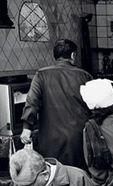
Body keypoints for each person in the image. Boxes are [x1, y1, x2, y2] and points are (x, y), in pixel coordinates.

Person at [20, 39, 93, 170]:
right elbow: (95, 106)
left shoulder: (41, 75)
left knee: (53, 175)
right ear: (73, 55)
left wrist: (27, 127)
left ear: (55, 56)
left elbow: (32, 101)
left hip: (50, 139)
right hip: (79, 138)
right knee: (78, 175)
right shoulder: (85, 76)